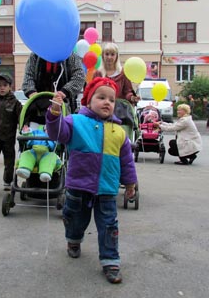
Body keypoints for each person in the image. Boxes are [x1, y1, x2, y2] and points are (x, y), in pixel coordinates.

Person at [46, 77, 137, 284]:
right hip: (79, 187)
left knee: (109, 227)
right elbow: (56, 133)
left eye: (112, 100)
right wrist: (54, 114)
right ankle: (74, 240)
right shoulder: (76, 122)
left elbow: (127, 162)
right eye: (101, 97)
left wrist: (130, 184)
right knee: (75, 220)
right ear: (88, 100)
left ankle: (110, 261)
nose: (107, 102)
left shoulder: (119, 132)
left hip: (106, 189)